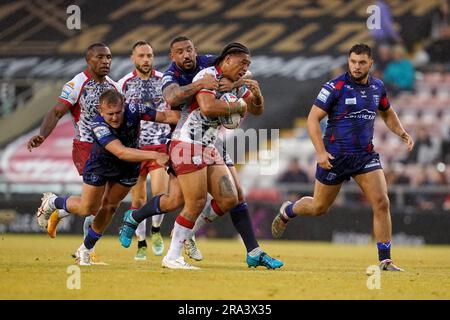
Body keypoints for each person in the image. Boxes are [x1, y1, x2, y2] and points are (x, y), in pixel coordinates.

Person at [119, 39, 283, 270]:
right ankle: (173, 256)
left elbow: (256, 109)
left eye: (248, 64)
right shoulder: (206, 76)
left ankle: (140, 219)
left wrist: (255, 95)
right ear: (227, 60)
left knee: (227, 198)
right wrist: (237, 107)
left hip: (208, 145)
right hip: (186, 142)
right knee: (194, 202)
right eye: (242, 63)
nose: (245, 67)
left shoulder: (233, 78)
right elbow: (206, 107)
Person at [271, 43, 414, 272]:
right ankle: (288, 210)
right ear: (349, 61)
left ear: (371, 64)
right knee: (319, 207)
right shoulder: (335, 86)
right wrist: (320, 152)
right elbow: (312, 119)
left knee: (382, 201)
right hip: (335, 157)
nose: (356, 67)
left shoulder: (377, 86)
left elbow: (387, 112)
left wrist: (401, 132)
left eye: (362, 62)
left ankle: (385, 260)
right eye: (353, 62)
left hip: (364, 157)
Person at [36, 89, 179, 265]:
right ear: (100, 110)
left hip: (128, 168)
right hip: (101, 166)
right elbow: (121, 152)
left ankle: (85, 249)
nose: (115, 117)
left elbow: (165, 117)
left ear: (124, 106)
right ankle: (53, 202)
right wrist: (155, 156)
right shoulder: (98, 125)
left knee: (110, 207)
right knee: (86, 209)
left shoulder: (135, 110)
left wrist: (191, 118)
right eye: (110, 114)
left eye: (118, 112)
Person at [27, 43, 119, 261]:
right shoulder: (77, 83)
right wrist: (43, 135)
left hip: (108, 147)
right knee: (96, 204)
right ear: (89, 60)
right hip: (86, 146)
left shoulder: (114, 87)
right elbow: (57, 111)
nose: (106, 61)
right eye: (100, 57)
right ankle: (86, 249)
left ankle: (57, 205)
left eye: (108, 57)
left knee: (103, 204)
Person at [117, 40, 170, 260]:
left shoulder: (164, 81)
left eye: (149, 55)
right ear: (133, 58)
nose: (146, 60)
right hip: (134, 149)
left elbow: (172, 108)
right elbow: (115, 114)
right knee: (137, 201)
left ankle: (156, 231)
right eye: (141, 56)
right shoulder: (123, 84)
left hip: (159, 145)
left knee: (161, 195)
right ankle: (141, 243)